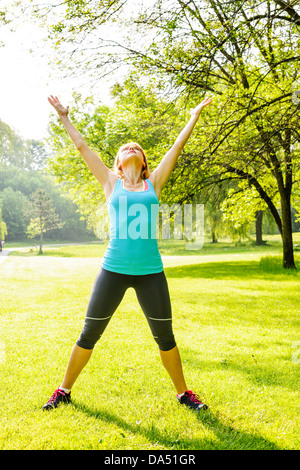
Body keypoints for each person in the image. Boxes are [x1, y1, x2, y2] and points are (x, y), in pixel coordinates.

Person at [43, 94, 212, 412]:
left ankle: (183, 394)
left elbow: (177, 146)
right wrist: (64, 116)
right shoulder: (109, 181)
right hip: (114, 270)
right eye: (126, 148)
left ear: (144, 162)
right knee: (89, 332)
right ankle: (63, 390)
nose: (132, 148)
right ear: (118, 163)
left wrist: (193, 116)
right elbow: (82, 147)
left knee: (165, 335)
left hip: (150, 271)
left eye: (138, 148)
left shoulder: (155, 183)